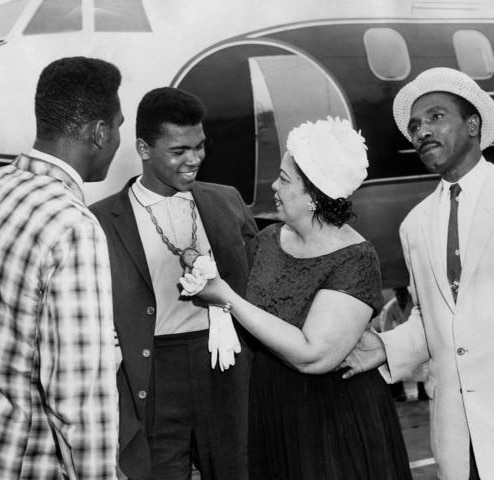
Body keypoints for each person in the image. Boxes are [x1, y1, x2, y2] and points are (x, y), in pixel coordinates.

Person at [187, 116, 412, 479]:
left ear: (312, 197)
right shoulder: (268, 240)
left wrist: (226, 298)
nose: (273, 185)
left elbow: (313, 355)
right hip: (273, 407)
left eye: (285, 179)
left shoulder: (355, 258)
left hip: (334, 419)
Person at [90, 87, 258, 480]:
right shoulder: (100, 220)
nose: (194, 160)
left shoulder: (227, 200)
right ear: (144, 149)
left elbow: (256, 285)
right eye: (179, 151)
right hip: (154, 375)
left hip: (228, 369)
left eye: (200, 147)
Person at [340, 67, 494, 480]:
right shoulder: (415, 224)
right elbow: (431, 317)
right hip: (459, 434)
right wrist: (384, 348)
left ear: (474, 124)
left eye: (436, 117)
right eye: (415, 126)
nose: (422, 131)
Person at [0, 57, 123, 479]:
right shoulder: (71, 224)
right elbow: (78, 399)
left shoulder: (5, 189)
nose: (119, 137)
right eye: (119, 125)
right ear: (100, 132)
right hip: (29, 461)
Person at [379, 287, 428, 401]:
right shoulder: (390, 307)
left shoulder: (416, 303)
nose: (401, 297)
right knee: (395, 363)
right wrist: (390, 342)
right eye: (399, 294)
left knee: (420, 365)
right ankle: (398, 392)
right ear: (396, 294)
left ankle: (422, 390)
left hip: (415, 335)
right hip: (399, 337)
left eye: (403, 294)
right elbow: (385, 326)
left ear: (407, 293)